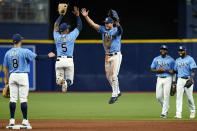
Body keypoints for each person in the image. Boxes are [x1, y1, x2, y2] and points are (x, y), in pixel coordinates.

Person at [3, 33, 55, 126]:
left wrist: (6, 80)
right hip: (23, 76)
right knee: (23, 99)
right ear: (20, 41)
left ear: (12, 42)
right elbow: (38, 58)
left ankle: (11, 120)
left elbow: (6, 68)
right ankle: (25, 120)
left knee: (13, 99)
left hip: (12, 76)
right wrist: (48, 55)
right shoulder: (25, 51)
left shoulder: (8, 53)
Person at [81, 8, 123, 104]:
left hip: (116, 55)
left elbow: (121, 30)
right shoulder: (103, 29)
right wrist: (86, 16)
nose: (106, 24)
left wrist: (118, 22)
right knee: (108, 76)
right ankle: (118, 91)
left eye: (108, 23)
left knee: (113, 75)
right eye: (105, 23)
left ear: (112, 23)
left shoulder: (116, 30)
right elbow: (92, 24)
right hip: (107, 56)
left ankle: (114, 94)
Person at [53, 6, 82, 92]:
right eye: (68, 28)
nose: (69, 29)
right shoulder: (71, 36)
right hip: (69, 61)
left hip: (59, 61)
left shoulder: (56, 36)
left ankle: (61, 80)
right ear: (66, 30)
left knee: (58, 81)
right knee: (70, 81)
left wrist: (61, 15)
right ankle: (65, 82)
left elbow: (55, 25)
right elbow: (79, 26)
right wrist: (77, 15)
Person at [150, 45, 175, 118]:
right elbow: (152, 69)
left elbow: (174, 71)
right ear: (160, 50)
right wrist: (158, 70)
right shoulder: (156, 59)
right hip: (159, 78)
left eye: (165, 49)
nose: (163, 50)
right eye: (162, 49)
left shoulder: (171, 60)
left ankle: (164, 113)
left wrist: (173, 83)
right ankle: (166, 107)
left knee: (166, 96)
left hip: (168, 78)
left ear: (166, 51)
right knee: (158, 97)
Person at [174, 46, 196, 119]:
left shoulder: (190, 59)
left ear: (185, 51)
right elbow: (175, 70)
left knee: (189, 97)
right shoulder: (177, 60)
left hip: (188, 79)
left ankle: (192, 111)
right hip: (180, 79)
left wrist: (192, 78)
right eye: (179, 51)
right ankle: (178, 113)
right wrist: (173, 82)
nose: (180, 52)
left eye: (182, 51)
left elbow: (193, 69)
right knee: (178, 97)